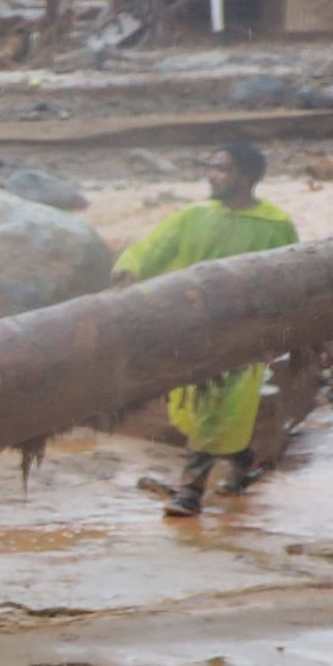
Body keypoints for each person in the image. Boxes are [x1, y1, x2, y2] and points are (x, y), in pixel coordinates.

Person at [115, 141, 299, 517]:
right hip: (192, 331)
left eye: (222, 169)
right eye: (212, 167)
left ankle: (190, 493)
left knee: (219, 406)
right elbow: (153, 247)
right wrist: (129, 268)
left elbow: (292, 279)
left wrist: (293, 332)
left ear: (247, 177)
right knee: (195, 412)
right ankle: (243, 457)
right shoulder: (194, 215)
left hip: (242, 335)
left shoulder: (275, 225)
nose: (212, 175)